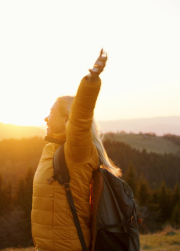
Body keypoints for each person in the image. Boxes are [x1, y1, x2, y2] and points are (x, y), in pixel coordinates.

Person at [31, 50, 122, 251]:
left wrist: (91, 80)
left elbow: (81, 116)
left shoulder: (76, 152)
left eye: (51, 113)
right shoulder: (51, 150)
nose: (46, 118)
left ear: (66, 120)